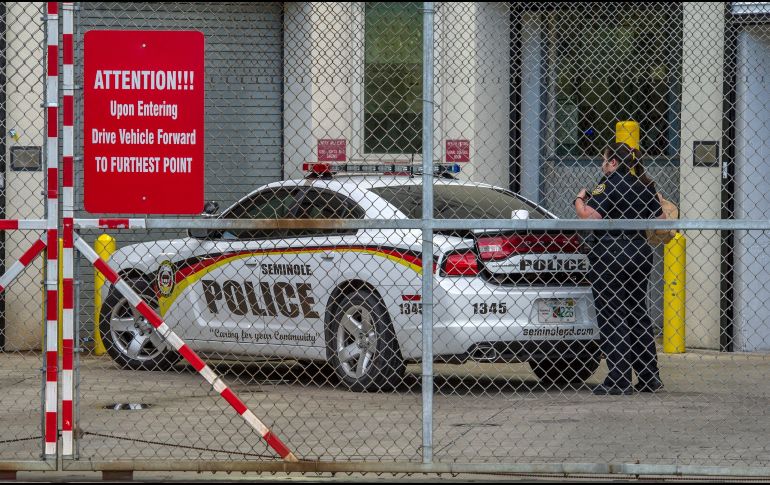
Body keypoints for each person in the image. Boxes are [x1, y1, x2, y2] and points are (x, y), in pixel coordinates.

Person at [574, 142, 666, 396]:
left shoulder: (608, 184)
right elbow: (660, 221)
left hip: (611, 254)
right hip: (639, 252)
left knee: (613, 315)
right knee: (637, 313)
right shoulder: (644, 186)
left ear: (613, 162)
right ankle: (649, 377)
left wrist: (580, 198)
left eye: (604, 160)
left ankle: (619, 378)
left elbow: (591, 216)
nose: (602, 165)